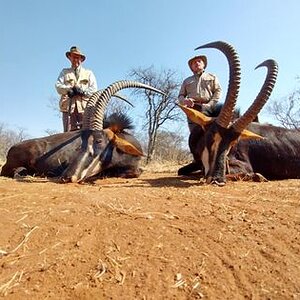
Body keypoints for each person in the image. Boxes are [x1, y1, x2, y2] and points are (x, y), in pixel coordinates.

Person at [55, 46, 98, 132]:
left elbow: (94, 89)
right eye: (73, 57)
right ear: (69, 58)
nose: (75, 60)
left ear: (81, 59)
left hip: (85, 110)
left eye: (77, 57)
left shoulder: (88, 73)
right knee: (68, 136)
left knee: (87, 135)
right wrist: (69, 90)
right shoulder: (64, 72)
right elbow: (58, 86)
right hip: (68, 109)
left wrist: (83, 92)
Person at [178, 55, 222, 132]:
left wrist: (210, 104)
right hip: (193, 109)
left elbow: (218, 91)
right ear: (191, 67)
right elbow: (180, 96)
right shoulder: (186, 81)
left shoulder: (212, 77)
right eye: (194, 62)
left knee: (212, 134)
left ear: (204, 64)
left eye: (199, 61)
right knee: (195, 135)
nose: (197, 63)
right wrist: (185, 101)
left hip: (209, 108)